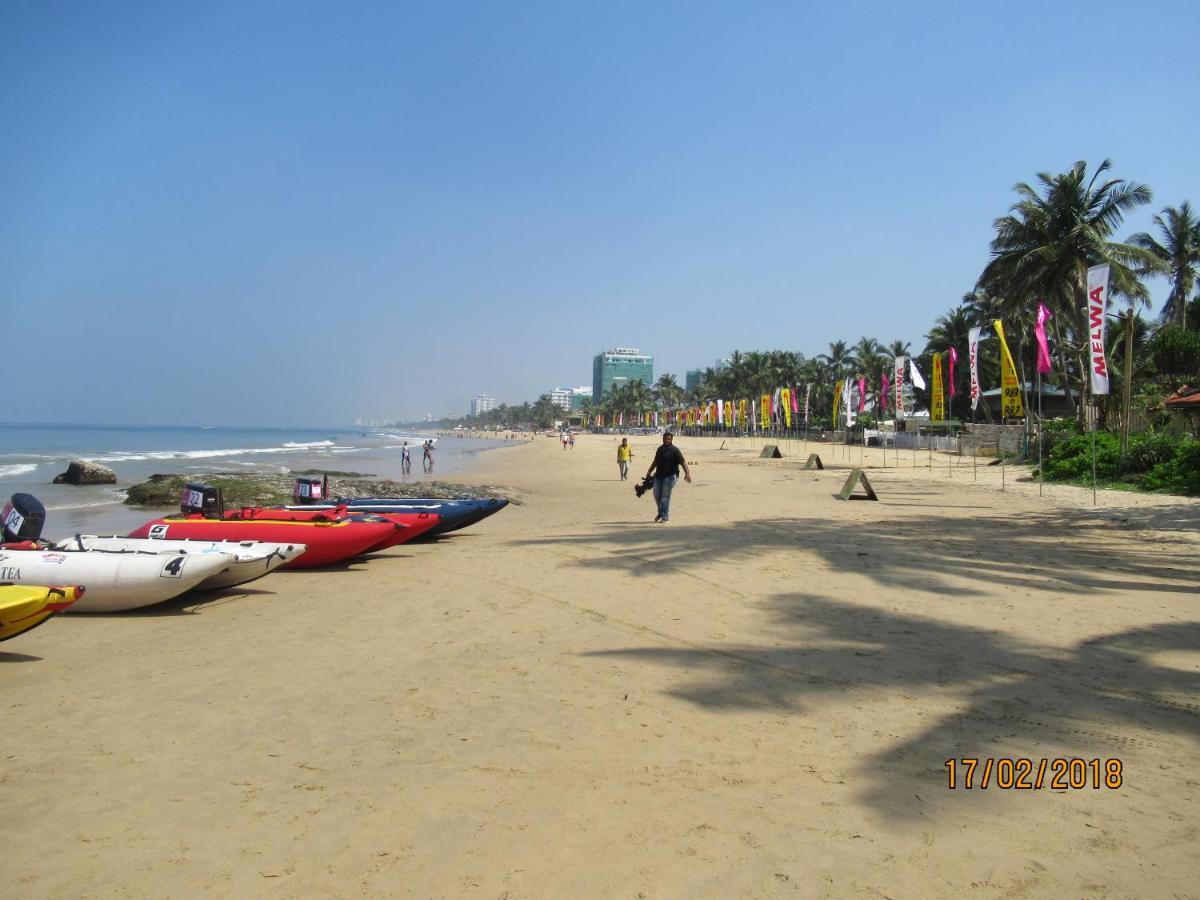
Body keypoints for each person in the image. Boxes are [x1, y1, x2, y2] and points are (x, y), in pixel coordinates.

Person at [644, 432, 691, 523]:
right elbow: (655, 461)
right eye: (665, 439)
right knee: (656, 494)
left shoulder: (675, 450)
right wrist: (649, 471)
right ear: (663, 439)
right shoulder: (660, 449)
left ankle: (665, 517)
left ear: (671, 440)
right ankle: (661, 512)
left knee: (665, 495)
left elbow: (683, 462)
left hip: (671, 476)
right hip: (658, 475)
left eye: (669, 439)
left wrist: (687, 473)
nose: (666, 440)